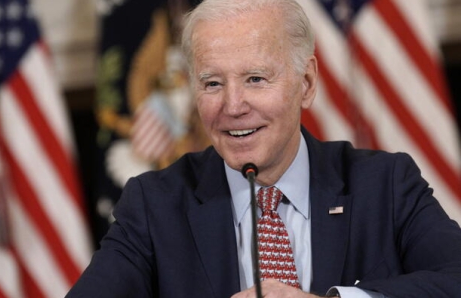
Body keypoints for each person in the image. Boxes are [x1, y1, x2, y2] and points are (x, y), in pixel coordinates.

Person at [66, 0, 461, 297]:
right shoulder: (154, 205)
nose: (233, 106)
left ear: (305, 83)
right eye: (212, 84)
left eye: (255, 79)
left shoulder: (385, 185)